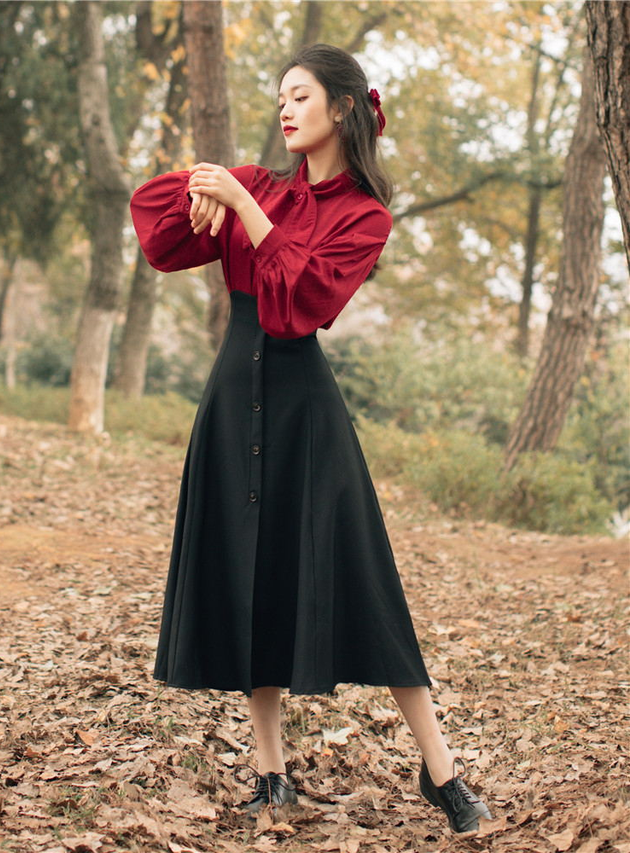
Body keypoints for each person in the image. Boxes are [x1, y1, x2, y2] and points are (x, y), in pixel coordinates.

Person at [130, 43, 491, 836]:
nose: (286, 110)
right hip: (232, 403)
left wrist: (241, 205)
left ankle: (442, 771)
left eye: (300, 96)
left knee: (369, 582)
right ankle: (271, 773)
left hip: (307, 415)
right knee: (251, 576)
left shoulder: (364, 217)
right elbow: (156, 228)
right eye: (280, 99)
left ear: (342, 107)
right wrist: (203, 186)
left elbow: (302, 301)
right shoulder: (258, 186)